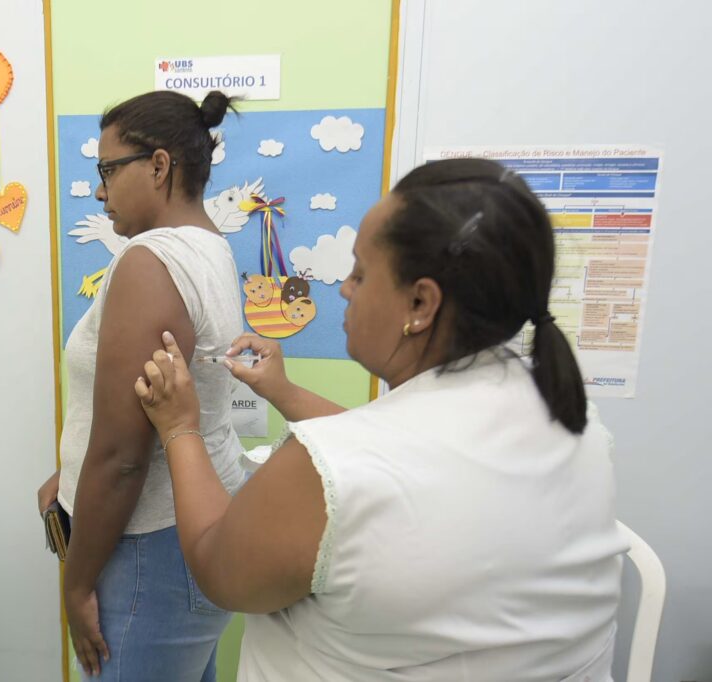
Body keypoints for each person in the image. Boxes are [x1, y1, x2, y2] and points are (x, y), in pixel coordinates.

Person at [134, 158, 628, 681]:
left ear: (420, 302)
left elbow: (217, 566)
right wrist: (283, 392)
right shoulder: (572, 420)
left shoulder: (337, 470)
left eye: (362, 273)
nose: (345, 288)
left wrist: (179, 426)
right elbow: (404, 462)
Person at [36, 90, 245, 680]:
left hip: (149, 550)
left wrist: (75, 584)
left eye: (107, 169)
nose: (100, 190)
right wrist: (70, 470)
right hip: (191, 532)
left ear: (158, 166)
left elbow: (124, 458)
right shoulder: (209, 249)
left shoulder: (149, 262)